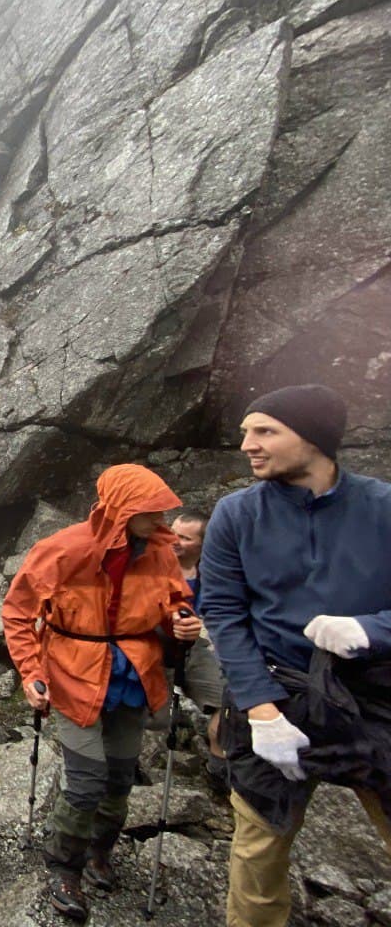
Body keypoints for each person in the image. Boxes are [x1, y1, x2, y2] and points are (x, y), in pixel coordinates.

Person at [199, 384, 391, 927]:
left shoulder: (384, 508)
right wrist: (260, 708)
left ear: (313, 438)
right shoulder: (237, 514)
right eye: (245, 433)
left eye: (264, 431)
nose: (247, 446)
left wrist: (371, 629)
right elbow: (224, 612)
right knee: (259, 847)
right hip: (277, 690)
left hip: (373, 691)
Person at [2, 464, 203, 921]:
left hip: (132, 677)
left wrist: (181, 623)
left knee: (119, 776)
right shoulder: (64, 549)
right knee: (88, 779)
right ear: (122, 509)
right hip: (73, 676)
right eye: (151, 511)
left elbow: (173, 604)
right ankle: (64, 865)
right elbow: (18, 613)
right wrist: (32, 673)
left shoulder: (160, 552)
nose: (162, 521)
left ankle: (99, 851)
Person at [148, 510, 228, 788]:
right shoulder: (150, 563)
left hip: (191, 648)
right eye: (172, 533)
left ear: (203, 543)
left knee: (229, 704)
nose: (174, 540)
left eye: (184, 537)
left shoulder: (214, 572)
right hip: (150, 649)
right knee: (151, 720)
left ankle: (219, 766)